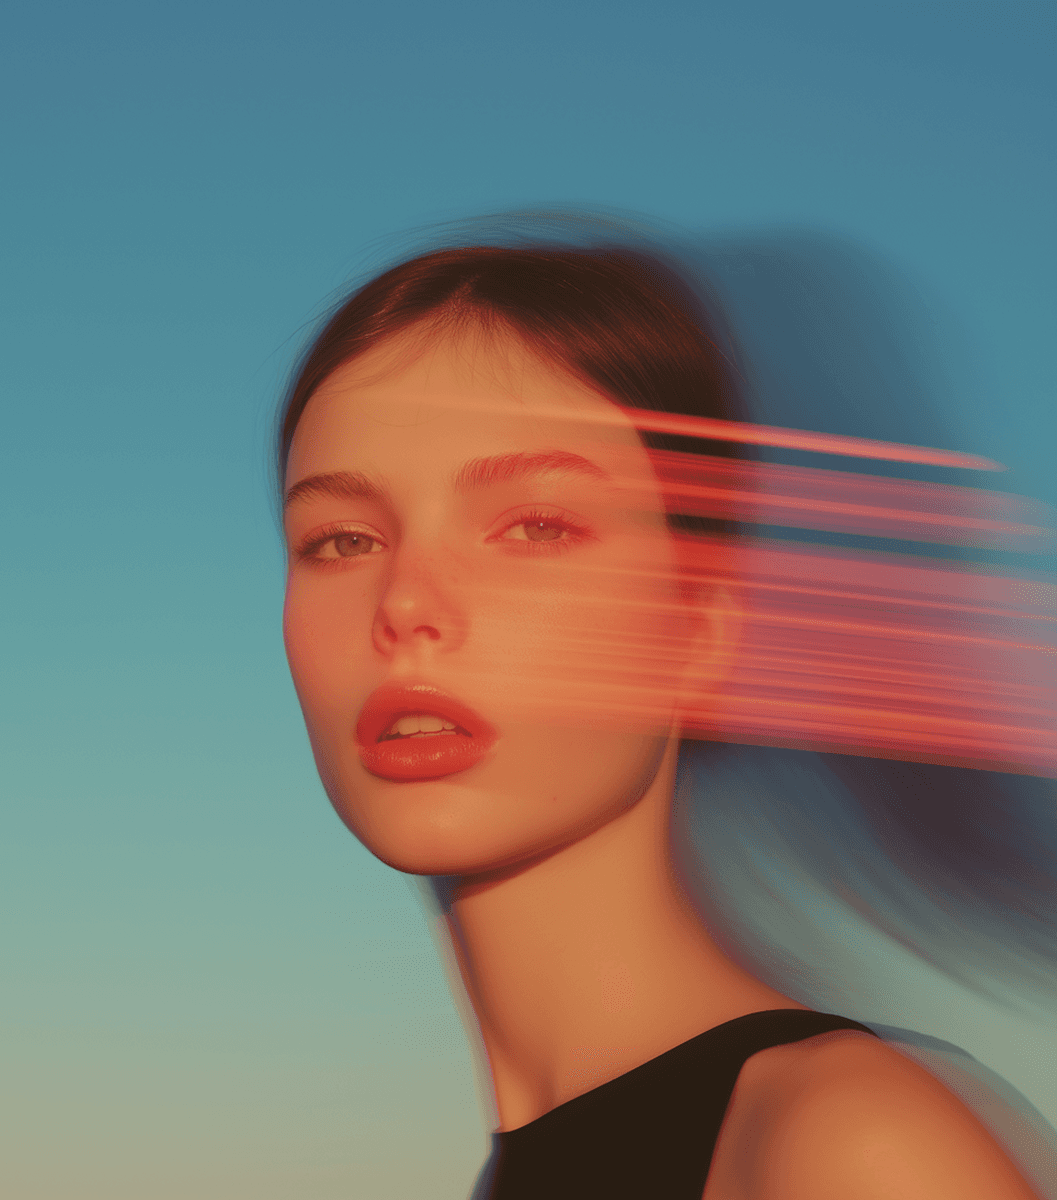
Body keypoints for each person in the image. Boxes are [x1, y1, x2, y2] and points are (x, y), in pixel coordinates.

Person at [275, 233, 1049, 1198]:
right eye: (341, 540)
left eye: (536, 526)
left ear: (700, 631)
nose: (406, 604)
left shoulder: (846, 1151)